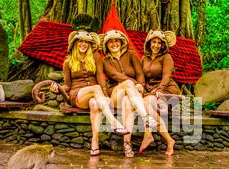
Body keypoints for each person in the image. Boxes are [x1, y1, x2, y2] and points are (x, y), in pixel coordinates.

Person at [50, 30, 129, 156]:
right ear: (75, 44)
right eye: (80, 41)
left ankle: (95, 143)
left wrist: (104, 95)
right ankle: (114, 122)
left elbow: (100, 77)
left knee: (95, 105)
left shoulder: (95, 57)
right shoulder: (68, 62)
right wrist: (57, 88)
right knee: (96, 88)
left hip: (94, 95)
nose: (83, 44)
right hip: (77, 95)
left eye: (86, 42)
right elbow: (67, 85)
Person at [99, 30, 156, 158]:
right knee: (128, 85)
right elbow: (115, 75)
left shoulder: (131, 55)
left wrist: (140, 85)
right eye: (111, 42)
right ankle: (145, 116)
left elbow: (140, 72)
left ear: (121, 42)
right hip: (115, 93)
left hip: (132, 95)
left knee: (127, 103)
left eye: (116, 41)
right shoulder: (105, 60)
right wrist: (134, 83)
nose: (114, 44)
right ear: (107, 45)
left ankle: (127, 144)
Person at [138, 30, 180, 156]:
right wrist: (141, 87)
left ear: (163, 45)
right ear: (149, 43)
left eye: (159, 43)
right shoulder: (144, 58)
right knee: (147, 102)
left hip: (167, 91)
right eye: (153, 42)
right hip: (150, 92)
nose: (156, 45)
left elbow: (167, 76)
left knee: (147, 102)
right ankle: (168, 140)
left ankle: (148, 134)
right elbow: (141, 76)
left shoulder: (166, 57)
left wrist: (160, 89)